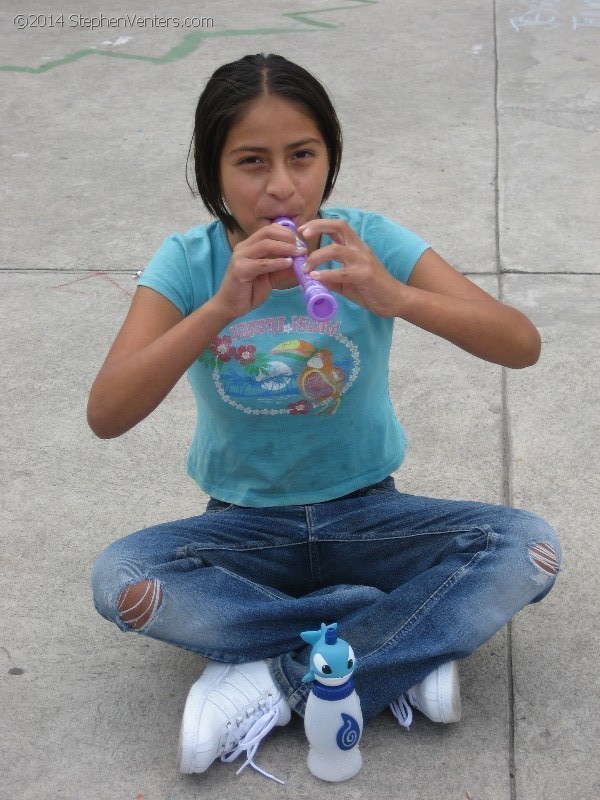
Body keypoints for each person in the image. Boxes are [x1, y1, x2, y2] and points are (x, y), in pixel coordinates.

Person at [88, 53, 561, 781]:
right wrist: (218, 308)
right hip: (244, 526)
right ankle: (398, 638)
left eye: (302, 156)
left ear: (329, 158)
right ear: (213, 173)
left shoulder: (365, 239)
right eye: (251, 162)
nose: (282, 186)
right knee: (122, 578)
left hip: (370, 515)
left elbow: (519, 343)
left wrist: (394, 295)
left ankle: (274, 678)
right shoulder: (187, 262)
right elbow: (107, 411)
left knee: (528, 549)